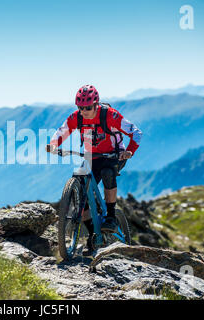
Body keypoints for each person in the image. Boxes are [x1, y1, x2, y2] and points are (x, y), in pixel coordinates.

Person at [46, 84, 142, 256]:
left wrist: (129, 152)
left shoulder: (110, 115)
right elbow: (62, 131)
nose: (84, 111)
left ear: (96, 104)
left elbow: (136, 133)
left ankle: (111, 216)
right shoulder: (77, 117)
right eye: (80, 107)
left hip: (114, 155)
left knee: (107, 173)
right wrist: (54, 144)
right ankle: (93, 237)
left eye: (88, 107)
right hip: (92, 156)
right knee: (81, 195)